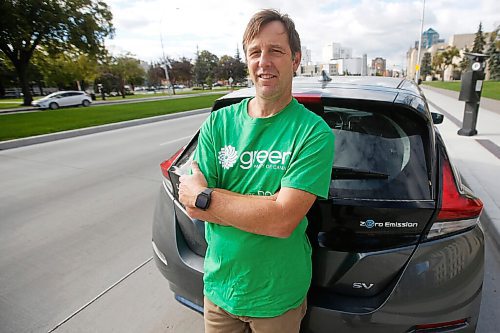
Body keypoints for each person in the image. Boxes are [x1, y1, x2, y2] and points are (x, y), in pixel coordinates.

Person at [178, 9, 335, 333]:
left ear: (295, 59)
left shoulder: (313, 133)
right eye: (255, 52)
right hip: (219, 290)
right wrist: (258, 209)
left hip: (277, 297)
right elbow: (190, 204)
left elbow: (281, 221)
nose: (264, 61)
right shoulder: (219, 122)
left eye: (275, 51)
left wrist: (207, 198)